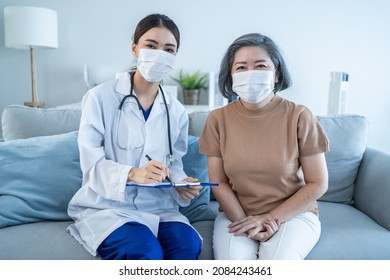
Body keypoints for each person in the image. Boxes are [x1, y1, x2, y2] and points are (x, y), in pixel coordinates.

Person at [67, 14, 202, 260]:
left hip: (160, 207)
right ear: (135, 49)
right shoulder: (100, 98)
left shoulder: (176, 110)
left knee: (188, 246)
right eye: (151, 45)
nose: (159, 54)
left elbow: (174, 163)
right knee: (145, 252)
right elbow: (91, 164)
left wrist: (183, 184)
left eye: (169, 49)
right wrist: (132, 173)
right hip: (109, 207)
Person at [199, 33, 329, 260]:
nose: (250, 73)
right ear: (230, 75)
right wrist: (244, 221)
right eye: (241, 67)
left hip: (293, 216)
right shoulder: (217, 119)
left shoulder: (299, 116)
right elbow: (218, 182)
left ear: (276, 73)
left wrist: (269, 218)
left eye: (260, 65)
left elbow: (318, 183)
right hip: (236, 215)